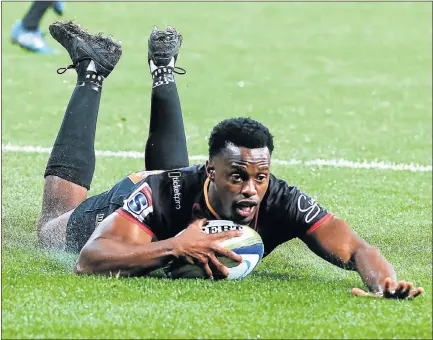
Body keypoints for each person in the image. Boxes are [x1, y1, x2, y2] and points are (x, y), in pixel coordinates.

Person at [38, 20, 423, 300]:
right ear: (213, 172)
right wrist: (173, 247)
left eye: (260, 177)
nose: (251, 190)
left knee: (177, 189)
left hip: (180, 189)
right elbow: (90, 260)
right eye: (237, 177)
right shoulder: (155, 194)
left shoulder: (282, 201)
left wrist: (384, 281)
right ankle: (92, 71)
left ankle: (163, 68)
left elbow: (357, 249)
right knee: (51, 229)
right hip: (139, 196)